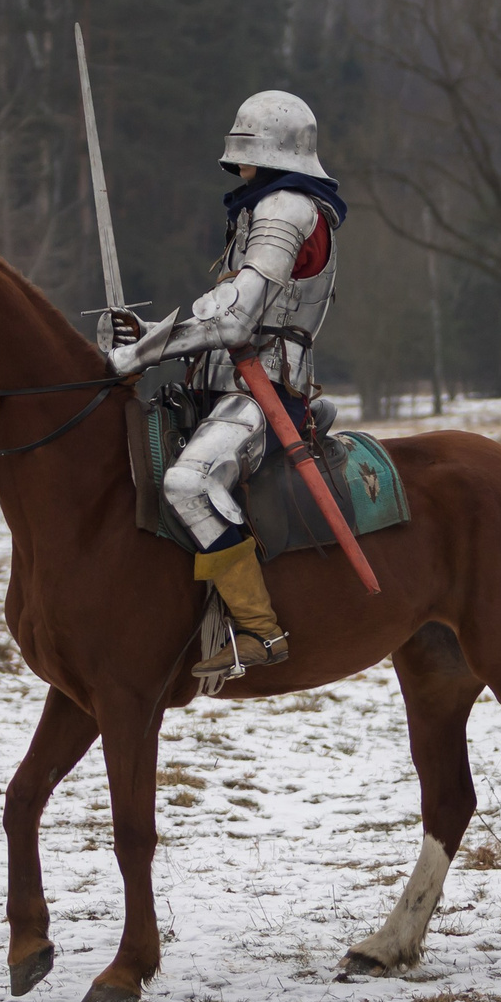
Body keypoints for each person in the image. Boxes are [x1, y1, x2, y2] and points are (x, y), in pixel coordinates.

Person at [106, 90, 346, 679]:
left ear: (265, 151)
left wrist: (138, 353)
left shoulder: (286, 208)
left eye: (242, 149)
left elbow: (236, 319)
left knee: (189, 482)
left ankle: (260, 633)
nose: (234, 163)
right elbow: (229, 311)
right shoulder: (264, 208)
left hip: (261, 389)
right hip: (223, 382)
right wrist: (151, 334)